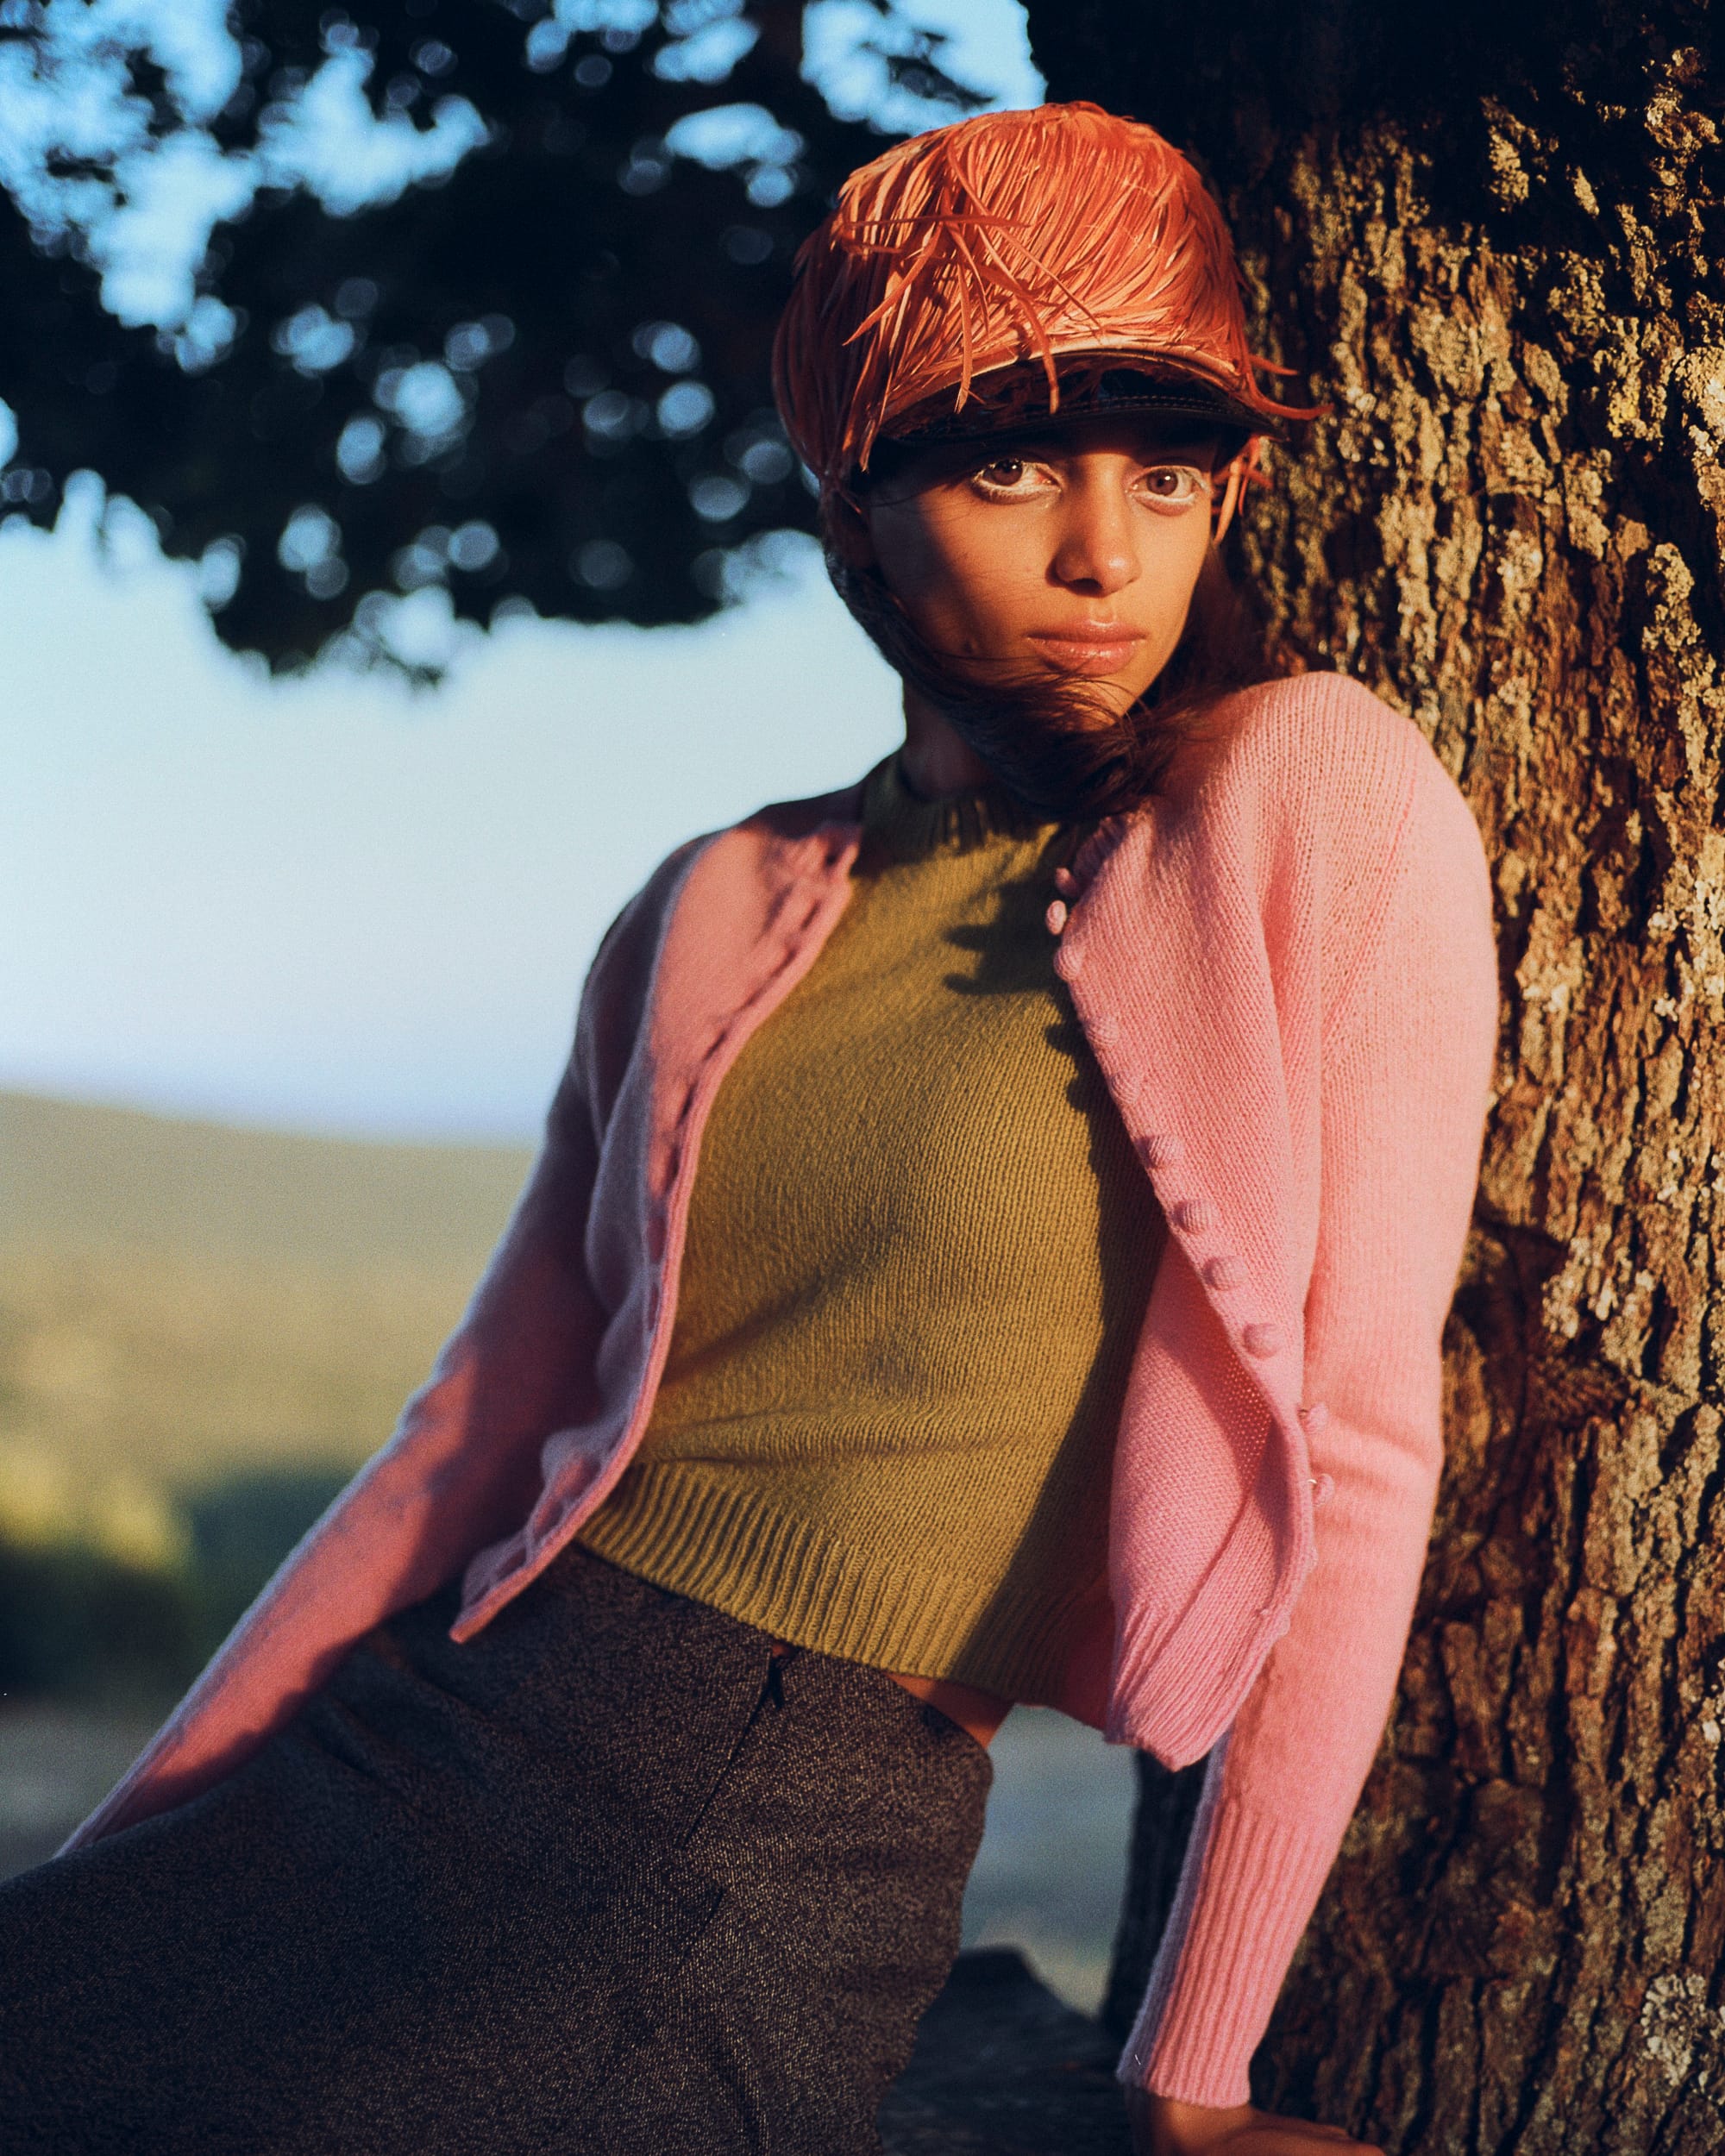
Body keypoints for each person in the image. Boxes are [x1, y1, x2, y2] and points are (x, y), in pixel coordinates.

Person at [0, 102, 1498, 2155]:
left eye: (1168, 473)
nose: (1105, 552)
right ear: (852, 501)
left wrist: (1191, 2080)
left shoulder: (1303, 796)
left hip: (753, 1836)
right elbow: (470, 1431)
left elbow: (1360, 1437)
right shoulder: (711, 900)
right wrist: (134, 1863)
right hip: (428, 1718)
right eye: (1010, 465)